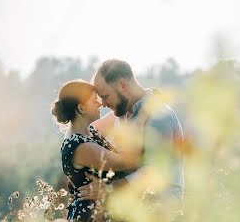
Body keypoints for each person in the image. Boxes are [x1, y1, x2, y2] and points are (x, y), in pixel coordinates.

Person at [77, 59, 184, 211]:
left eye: (105, 96)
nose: (104, 104)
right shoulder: (121, 114)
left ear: (123, 86)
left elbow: (154, 171)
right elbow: (89, 129)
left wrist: (106, 189)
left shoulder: (159, 116)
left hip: (161, 214)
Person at [51, 79, 141, 222]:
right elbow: (126, 162)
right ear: (81, 108)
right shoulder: (81, 146)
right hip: (91, 221)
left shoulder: (89, 131)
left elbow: (119, 111)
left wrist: (146, 98)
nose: (101, 104)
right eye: (95, 101)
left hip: (103, 215)